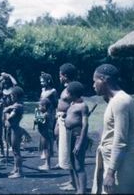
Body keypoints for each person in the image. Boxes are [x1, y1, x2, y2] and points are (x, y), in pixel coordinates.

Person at [91, 64, 134, 194]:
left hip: (121, 166)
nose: (93, 85)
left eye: (94, 81)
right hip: (113, 161)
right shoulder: (114, 100)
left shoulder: (120, 101)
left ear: (103, 79)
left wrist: (110, 173)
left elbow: (120, 140)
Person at [55, 63, 77, 191]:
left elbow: (75, 105)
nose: (59, 77)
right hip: (62, 120)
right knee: (65, 152)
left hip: (68, 122)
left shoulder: (73, 88)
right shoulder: (67, 87)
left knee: (70, 152)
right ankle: (71, 181)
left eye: (60, 75)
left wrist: (65, 116)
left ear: (65, 75)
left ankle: (74, 183)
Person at [65, 81, 89, 194]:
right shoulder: (72, 104)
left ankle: (82, 191)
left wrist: (80, 143)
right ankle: (79, 188)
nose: (65, 95)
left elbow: (85, 125)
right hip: (70, 136)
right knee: (73, 164)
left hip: (78, 136)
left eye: (67, 93)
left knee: (79, 165)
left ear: (72, 94)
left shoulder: (83, 106)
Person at [3, 86, 25, 179]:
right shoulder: (15, 105)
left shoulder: (18, 106)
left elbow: (9, 117)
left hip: (15, 130)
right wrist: (8, 107)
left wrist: (6, 111)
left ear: (15, 95)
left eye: (11, 95)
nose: (10, 97)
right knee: (14, 151)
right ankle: (16, 168)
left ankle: (19, 171)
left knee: (16, 151)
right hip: (12, 129)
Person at [39, 72, 58, 157]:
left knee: (49, 132)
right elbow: (41, 101)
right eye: (41, 81)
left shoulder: (53, 91)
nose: (41, 83)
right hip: (41, 111)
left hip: (50, 112)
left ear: (48, 81)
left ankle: (50, 151)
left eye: (43, 81)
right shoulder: (43, 90)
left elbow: (46, 98)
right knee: (42, 132)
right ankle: (44, 150)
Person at [34, 98, 52, 171]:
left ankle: (48, 164)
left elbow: (40, 121)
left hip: (46, 134)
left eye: (40, 106)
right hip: (43, 134)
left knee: (46, 149)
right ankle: (46, 163)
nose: (38, 108)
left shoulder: (45, 115)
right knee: (45, 149)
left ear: (44, 106)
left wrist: (36, 118)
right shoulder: (44, 114)